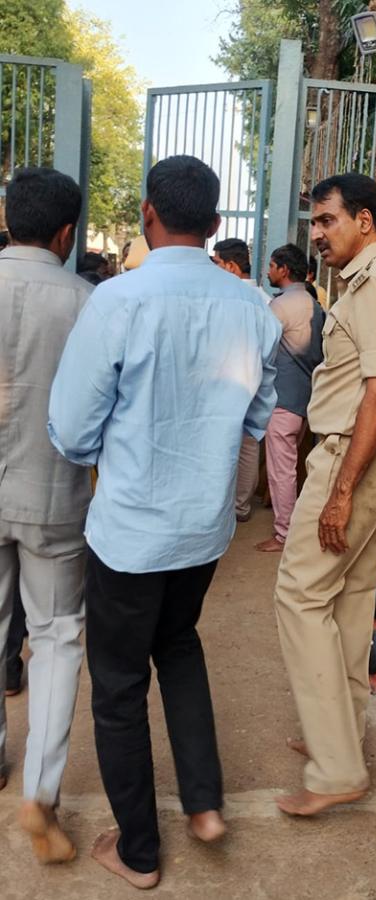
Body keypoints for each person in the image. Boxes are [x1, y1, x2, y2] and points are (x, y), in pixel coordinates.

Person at [48, 154, 281, 890]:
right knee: (178, 647)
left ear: (148, 213)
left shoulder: (117, 300)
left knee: (118, 685)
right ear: (214, 224)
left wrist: (115, 447)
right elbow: (258, 416)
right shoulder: (252, 306)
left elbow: (72, 430)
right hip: (201, 528)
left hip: (129, 530)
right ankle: (204, 805)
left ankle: (140, 850)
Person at [273, 173, 376, 816]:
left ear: (365, 221)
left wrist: (341, 492)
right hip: (370, 457)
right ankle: (337, 738)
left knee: (299, 592)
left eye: (326, 220)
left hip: (354, 458)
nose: (316, 234)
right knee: (348, 596)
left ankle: (336, 766)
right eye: (313, 223)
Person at [0, 166, 92, 862]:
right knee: (57, 639)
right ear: (66, 233)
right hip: (53, 496)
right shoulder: (89, 302)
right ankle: (40, 794)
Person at [256, 244, 325, 553]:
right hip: (305, 398)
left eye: (272, 266)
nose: (268, 271)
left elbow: (261, 348)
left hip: (282, 399)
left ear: (284, 270)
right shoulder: (314, 304)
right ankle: (289, 528)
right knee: (290, 468)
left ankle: (285, 534)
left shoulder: (281, 305)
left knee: (282, 471)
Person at [213, 238, 272, 522]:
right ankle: (241, 507)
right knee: (249, 444)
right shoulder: (266, 301)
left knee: (223, 445)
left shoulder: (226, 299)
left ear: (231, 267)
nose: (214, 269)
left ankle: (224, 506)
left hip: (225, 381)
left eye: (218, 263)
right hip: (255, 381)